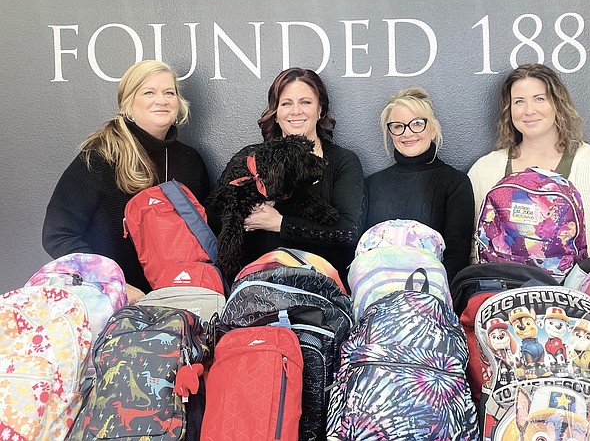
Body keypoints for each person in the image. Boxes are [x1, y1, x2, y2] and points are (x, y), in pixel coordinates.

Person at [42, 60, 211, 302]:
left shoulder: (191, 161)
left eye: (169, 93)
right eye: (149, 92)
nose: (161, 100)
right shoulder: (101, 156)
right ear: (128, 103)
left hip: (180, 300)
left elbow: (205, 237)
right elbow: (57, 234)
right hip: (116, 305)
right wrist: (112, 283)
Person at [468, 63, 590, 264]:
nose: (529, 110)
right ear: (508, 109)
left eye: (539, 99)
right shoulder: (485, 172)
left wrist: (589, 281)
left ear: (558, 103)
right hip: (506, 293)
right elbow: (471, 250)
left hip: (589, 293)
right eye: (519, 101)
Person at [207, 67, 365, 285]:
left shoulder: (342, 161)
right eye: (286, 103)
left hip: (321, 289)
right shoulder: (249, 158)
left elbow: (348, 232)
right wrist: (247, 209)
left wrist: (280, 223)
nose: (296, 111)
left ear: (320, 110)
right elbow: (212, 215)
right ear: (276, 113)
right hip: (256, 288)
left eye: (306, 102)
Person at [364, 87, 474, 283]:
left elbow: (457, 255)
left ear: (433, 129)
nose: (407, 133)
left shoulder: (456, 183)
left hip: (432, 299)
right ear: (391, 133)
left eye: (417, 123)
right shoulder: (372, 184)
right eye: (398, 126)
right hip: (377, 296)